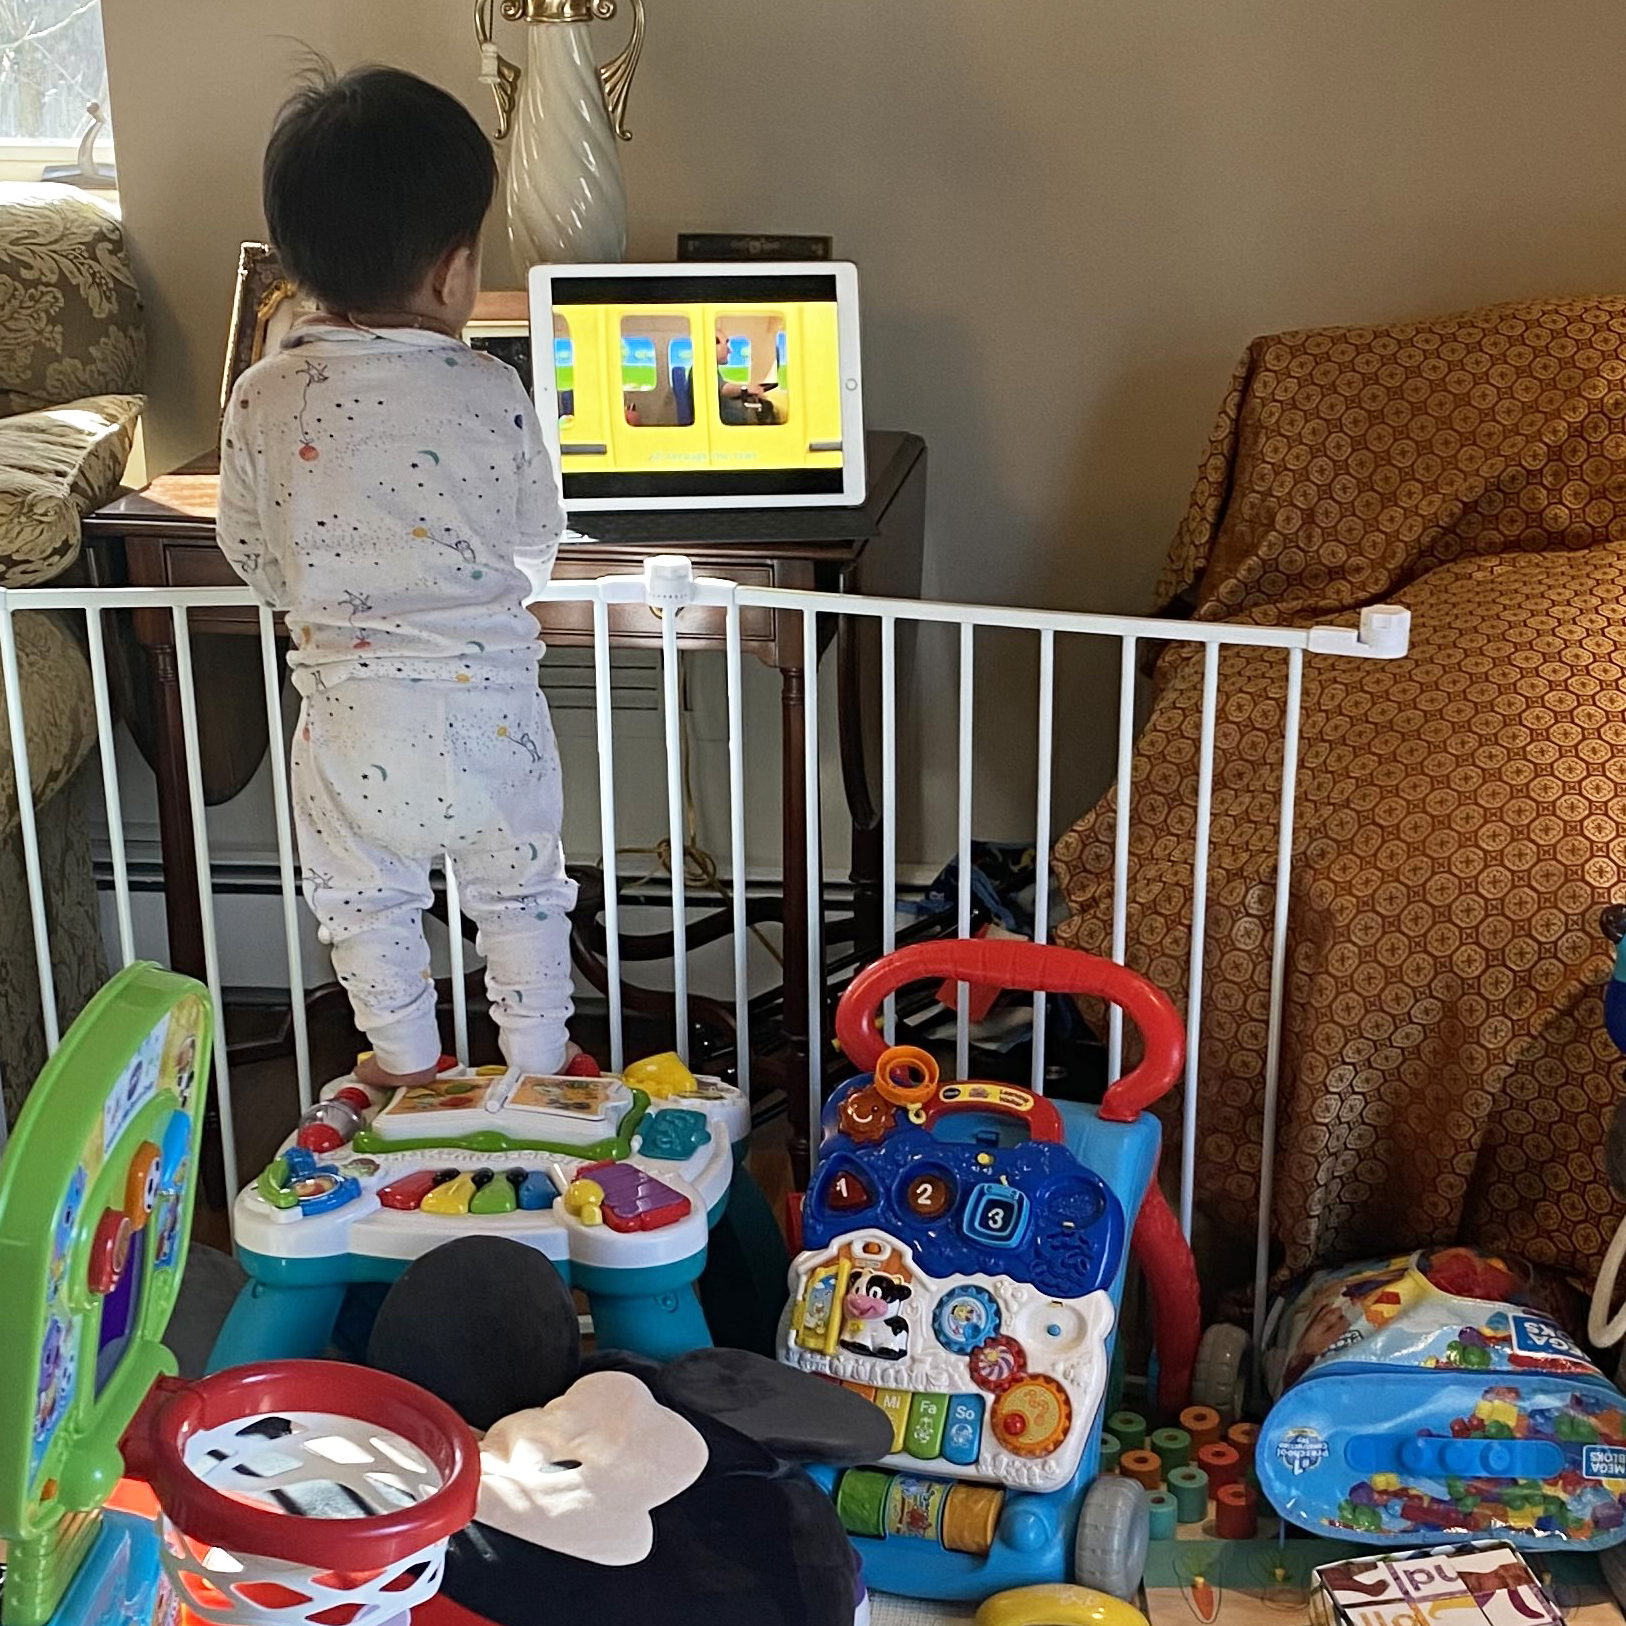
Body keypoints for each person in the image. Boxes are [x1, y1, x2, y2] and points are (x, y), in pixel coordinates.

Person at [218, 65, 576, 1088]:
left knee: (367, 901)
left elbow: (252, 552)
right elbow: (531, 544)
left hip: (349, 719)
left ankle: (408, 1070)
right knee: (519, 895)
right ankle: (541, 1069)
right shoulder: (491, 389)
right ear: (455, 272)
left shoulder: (262, 394)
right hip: (491, 716)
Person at [715, 324, 773, 425]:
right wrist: (747, 388)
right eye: (726, 345)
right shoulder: (702, 369)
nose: (729, 351)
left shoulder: (711, 369)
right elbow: (724, 389)